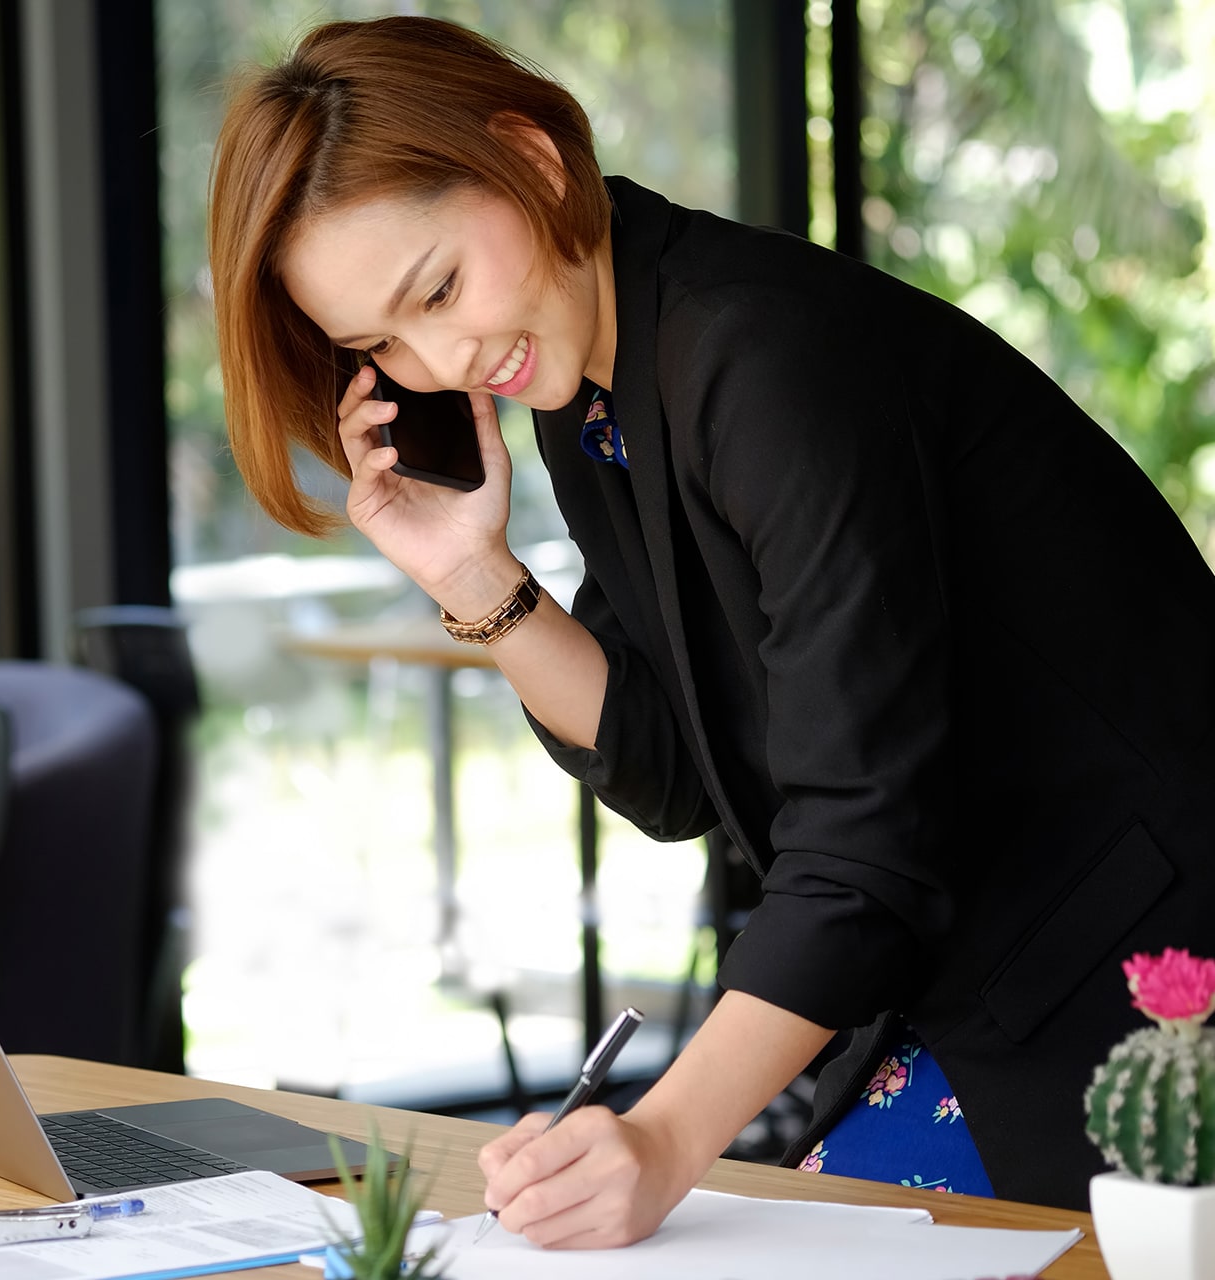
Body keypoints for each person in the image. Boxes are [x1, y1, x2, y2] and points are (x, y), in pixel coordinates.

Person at [206, 13, 1215, 1247]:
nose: (442, 361)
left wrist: (664, 1134)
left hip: (1144, 977)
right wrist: (477, 577)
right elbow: (681, 765)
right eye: (381, 345)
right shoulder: (590, 385)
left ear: (531, 156)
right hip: (982, 978)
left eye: (438, 290)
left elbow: (863, 847)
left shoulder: (760, 354)